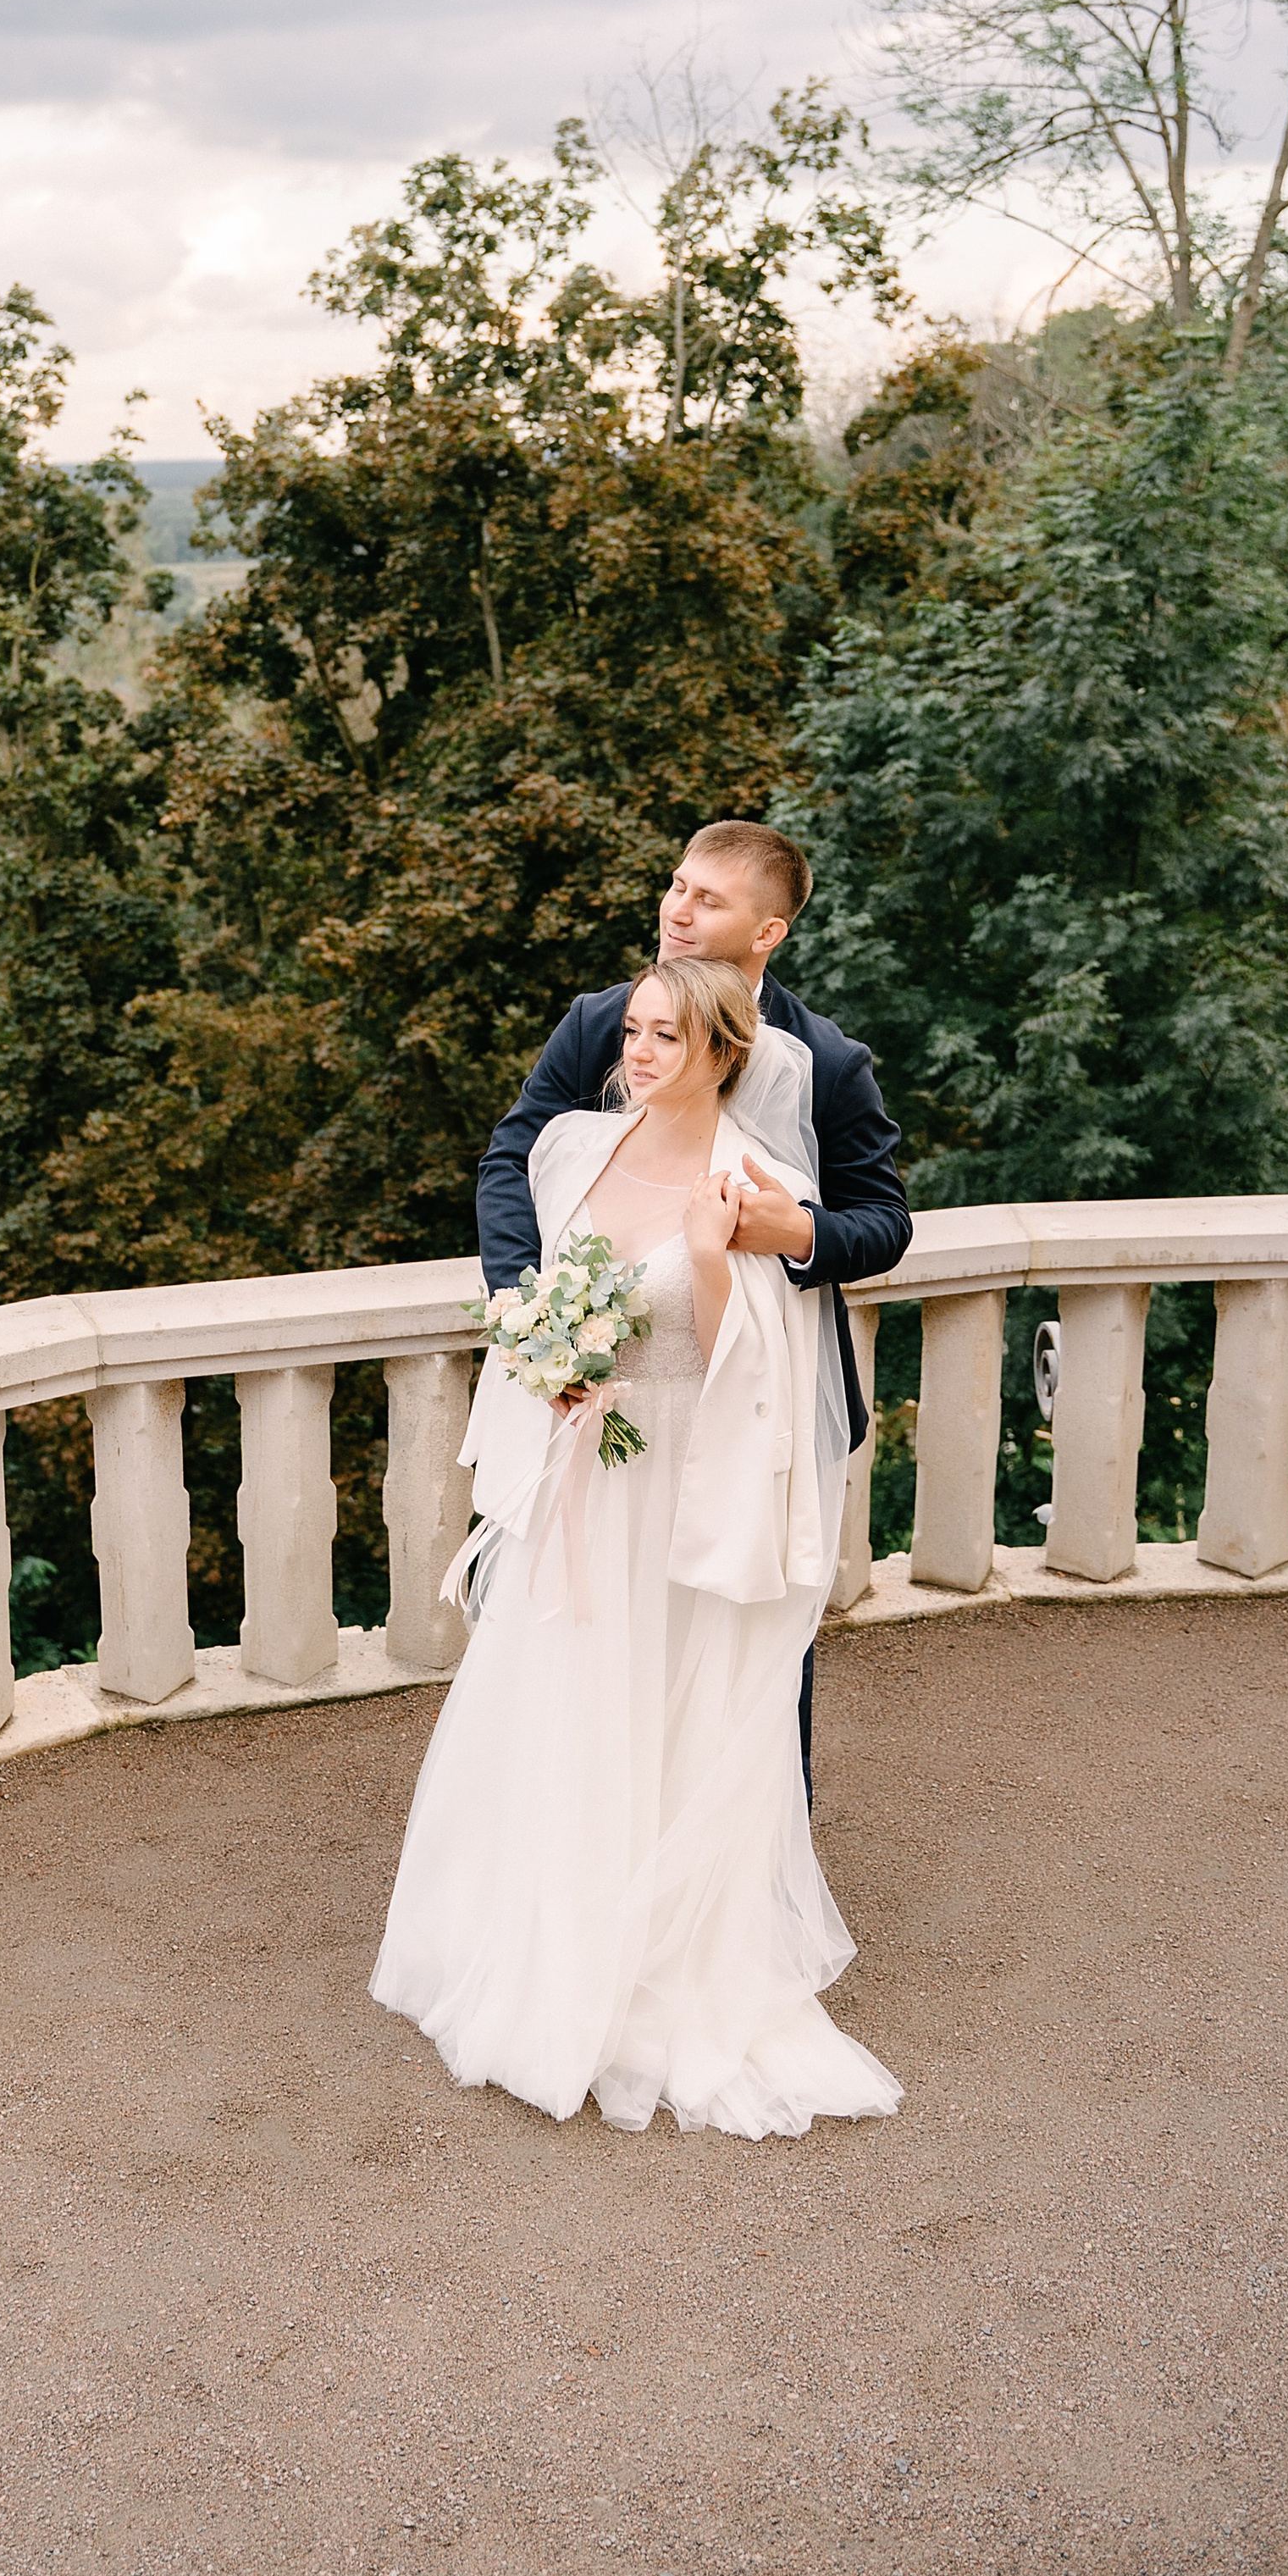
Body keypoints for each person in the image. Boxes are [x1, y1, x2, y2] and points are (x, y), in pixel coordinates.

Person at [371, 956, 903, 2138]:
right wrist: (549, 1367)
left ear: (725, 1056)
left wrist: (714, 1260)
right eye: (638, 1033)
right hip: (580, 1480)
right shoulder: (573, 1150)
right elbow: (535, 1277)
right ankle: (547, 1940)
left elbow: (750, 1369)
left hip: (677, 1486)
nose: (640, 1052)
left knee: (667, 1716)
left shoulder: (748, 1181)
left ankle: (654, 1965)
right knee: (560, 1705)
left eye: (670, 1037)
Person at [474, 820, 911, 1793]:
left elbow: (883, 1224)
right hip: (607, 1399)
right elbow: (513, 1159)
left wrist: (791, 1232)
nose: (676, 909)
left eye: (708, 898)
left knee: (750, 1639)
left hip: (764, 1408)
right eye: (677, 885)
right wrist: (529, 1316)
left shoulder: (828, 1060)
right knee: (591, 1631)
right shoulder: (605, 1020)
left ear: (768, 933)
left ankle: (749, 1869)